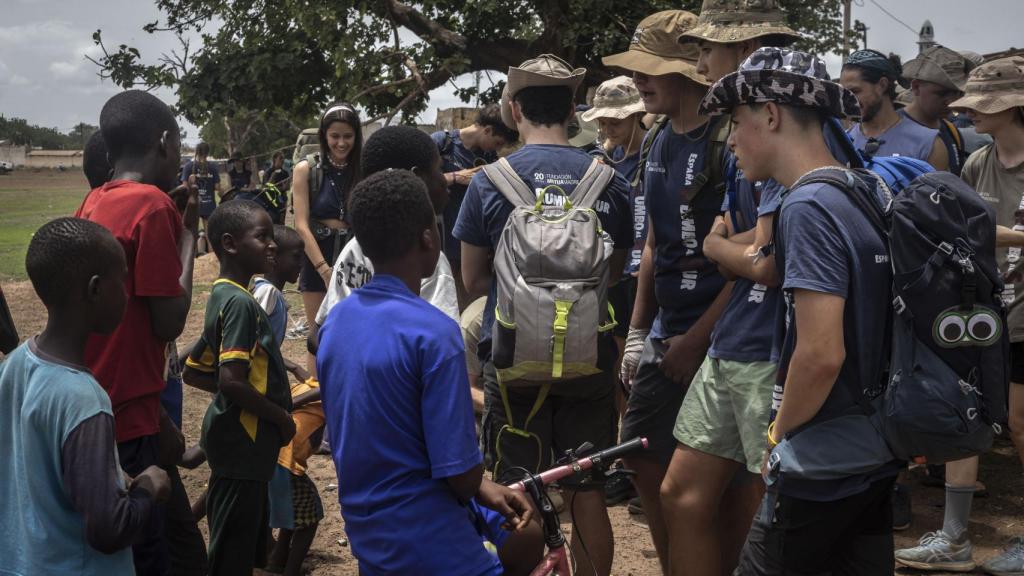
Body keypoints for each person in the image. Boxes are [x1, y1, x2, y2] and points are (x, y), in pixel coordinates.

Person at [700, 47, 902, 574]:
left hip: (820, 461)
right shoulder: (864, 187)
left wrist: (775, 436)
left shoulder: (807, 206)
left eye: (736, 122)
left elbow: (819, 355)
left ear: (770, 114)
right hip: (875, 449)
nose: (733, 141)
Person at [454, 53, 632, 576]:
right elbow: (614, 274)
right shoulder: (609, 180)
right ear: (574, 109)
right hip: (589, 360)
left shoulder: (489, 181)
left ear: (513, 108)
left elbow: (473, 280)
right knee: (586, 493)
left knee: (517, 489)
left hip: (511, 364)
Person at [318, 169, 537, 575]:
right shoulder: (433, 333)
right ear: (429, 238)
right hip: (428, 540)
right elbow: (459, 470)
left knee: (523, 535)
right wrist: (480, 482)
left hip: (370, 533)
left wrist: (481, 488)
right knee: (529, 533)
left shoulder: (336, 323)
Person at [663, 4, 802, 574]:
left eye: (708, 50)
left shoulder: (783, 139)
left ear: (746, 55)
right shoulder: (733, 134)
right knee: (682, 493)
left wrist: (726, 250)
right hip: (734, 339)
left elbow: (763, 260)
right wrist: (733, 251)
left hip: (767, 350)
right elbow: (740, 247)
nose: (699, 62)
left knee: (757, 505)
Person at [601, 11, 730, 571]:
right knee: (642, 459)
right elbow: (654, 239)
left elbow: (755, 264)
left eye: (649, 70)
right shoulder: (655, 136)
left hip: (723, 336)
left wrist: (698, 339)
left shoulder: (728, 140)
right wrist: (637, 331)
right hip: (664, 331)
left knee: (718, 483)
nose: (639, 82)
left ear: (690, 72)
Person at [895, 56, 1024, 574]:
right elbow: (961, 232)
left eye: (982, 105)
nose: (968, 112)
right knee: (966, 412)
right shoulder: (977, 163)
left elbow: (966, 227)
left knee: (1018, 422)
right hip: (986, 312)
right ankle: (953, 538)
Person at [75, 89, 207, 576]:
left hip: (111, 406)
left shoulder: (95, 199)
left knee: (177, 547)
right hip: (129, 423)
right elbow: (169, 322)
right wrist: (188, 237)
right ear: (165, 142)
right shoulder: (154, 208)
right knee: (155, 555)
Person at [0, 217, 171, 575]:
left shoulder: (14, 364)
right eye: (121, 281)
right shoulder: (85, 399)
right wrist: (149, 489)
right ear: (95, 290)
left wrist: (109, 475)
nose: (127, 293)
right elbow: (109, 529)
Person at [182, 199, 294, 576]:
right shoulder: (242, 304)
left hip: (241, 446)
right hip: (244, 446)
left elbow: (196, 371)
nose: (272, 244)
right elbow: (231, 381)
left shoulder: (223, 295)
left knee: (241, 544)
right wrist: (281, 417)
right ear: (230, 244)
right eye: (262, 237)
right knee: (232, 555)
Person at [312, 125, 458, 340]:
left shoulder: (356, 246)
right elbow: (443, 340)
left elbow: (320, 333)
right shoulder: (429, 258)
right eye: (439, 169)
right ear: (418, 178)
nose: (444, 179)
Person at [292, 103, 363, 376]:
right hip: (316, 258)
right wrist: (324, 270)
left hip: (355, 258)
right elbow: (301, 225)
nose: (341, 143)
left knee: (355, 333)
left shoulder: (363, 168)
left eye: (348, 136)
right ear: (324, 135)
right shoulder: (306, 170)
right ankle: (317, 404)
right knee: (318, 336)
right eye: (335, 136)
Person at [432, 104, 519, 309]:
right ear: (487, 130)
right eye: (497, 142)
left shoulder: (488, 157)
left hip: (475, 248)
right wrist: (455, 177)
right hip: (444, 244)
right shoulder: (442, 144)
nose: (496, 149)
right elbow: (416, 182)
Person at [841, 49, 950, 170]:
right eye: (844, 93)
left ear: (882, 85)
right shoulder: (842, 141)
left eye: (855, 91)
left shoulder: (928, 144)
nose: (848, 99)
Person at [265, 379, 325, 576]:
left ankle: (278, 560)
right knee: (311, 515)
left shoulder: (307, 383)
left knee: (295, 511)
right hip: (285, 461)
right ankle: (290, 570)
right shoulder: (328, 389)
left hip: (274, 454)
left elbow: (302, 372)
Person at [900, 46, 981, 176]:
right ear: (916, 87)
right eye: (941, 93)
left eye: (956, 93)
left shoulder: (951, 131)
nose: (951, 101)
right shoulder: (892, 130)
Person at [253, 224, 310, 382]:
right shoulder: (267, 293)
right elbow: (250, 341)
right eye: (296, 256)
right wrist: (293, 367)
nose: (301, 263)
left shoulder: (273, 295)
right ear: (274, 256)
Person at [180, 142, 221, 255]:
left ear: (196, 151)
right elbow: (218, 187)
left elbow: (184, 187)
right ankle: (212, 258)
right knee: (209, 233)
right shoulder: (212, 167)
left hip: (194, 204)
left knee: (193, 233)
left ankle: (194, 259)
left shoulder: (188, 166)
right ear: (208, 152)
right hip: (209, 204)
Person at [260, 152, 291, 224]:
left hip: (282, 200)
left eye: (283, 158)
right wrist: (273, 176)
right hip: (271, 201)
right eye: (280, 158)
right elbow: (265, 187)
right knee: (272, 221)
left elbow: (286, 187)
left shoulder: (285, 173)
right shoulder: (268, 172)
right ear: (274, 159)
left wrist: (283, 186)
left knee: (282, 221)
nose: (282, 160)